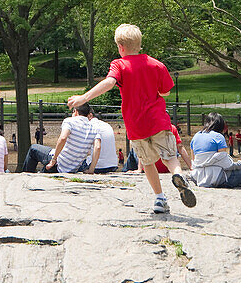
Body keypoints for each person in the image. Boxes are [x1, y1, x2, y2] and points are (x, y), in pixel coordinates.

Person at [68, 23, 196, 214]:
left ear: (120, 47)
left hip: (136, 126)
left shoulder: (119, 64)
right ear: (139, 43)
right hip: (158, 122)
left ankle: (160, 199)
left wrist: (83, 98)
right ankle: (178, 175)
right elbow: (166, 91)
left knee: (148, 162)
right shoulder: (156, 64)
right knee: (170, 155)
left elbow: (110, 83)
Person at [22, 104, 96, 174]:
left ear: (76, 111)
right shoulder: (93, 128)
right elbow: (97, 147)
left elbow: (63, 138)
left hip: (60, 163)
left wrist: (53, 160)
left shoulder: (70, 121)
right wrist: (91, 170)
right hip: (73, 167)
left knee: (33, 149)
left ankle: (25, 176)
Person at [86, 108, 119, 175]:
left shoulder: (91, 126)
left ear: (90, 115)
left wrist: (91, 170)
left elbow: (97, 147)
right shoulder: (106, 125)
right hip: (113, 165)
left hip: (98, 167)